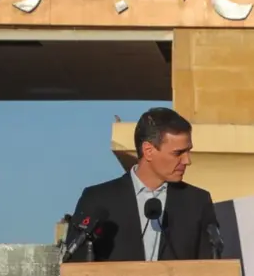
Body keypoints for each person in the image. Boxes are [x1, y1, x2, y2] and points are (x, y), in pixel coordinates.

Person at [63, 107, 219, 262]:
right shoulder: (98, 200)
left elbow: (210, 267)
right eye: (178, 153)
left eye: (188, 151)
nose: (187, 160)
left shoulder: (197, 202)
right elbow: (75, 265)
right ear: (148, 151)